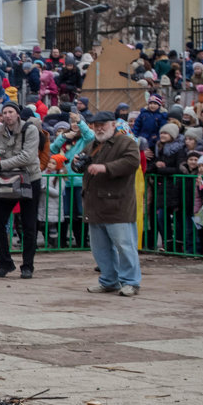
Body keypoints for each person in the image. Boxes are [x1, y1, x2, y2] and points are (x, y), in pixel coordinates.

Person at [75, 112, 142, 296]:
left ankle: (131, 282)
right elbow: (79, 161)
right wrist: (76, 163)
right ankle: (109, 280)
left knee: (124, 246)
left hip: (117, 205)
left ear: (113, 124)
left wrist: (106, 168)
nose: (99, 128)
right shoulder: (92, 145)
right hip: (95, 205)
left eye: (103, 124)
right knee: (100, 248)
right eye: (96, 125)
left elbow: (132, 162)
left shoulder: (126, 142)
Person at [0, 101, 41, 278]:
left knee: (29, 224)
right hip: (6, 180)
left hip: (29, 179)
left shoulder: (30, 129)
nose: (7, 115)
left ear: (17, 114)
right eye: (4, 112)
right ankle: (5, 263)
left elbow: (27, 157)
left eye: (10, 112)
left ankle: (28, 266)